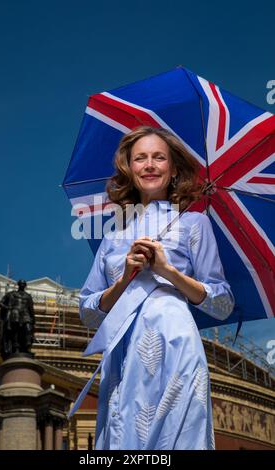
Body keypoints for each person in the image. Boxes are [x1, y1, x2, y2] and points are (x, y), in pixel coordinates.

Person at [77, 126, 235, 450]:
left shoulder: (194, 224)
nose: (150, 165)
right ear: (129, 169)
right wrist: (123, 280)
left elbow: (222, 304)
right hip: (123, 352)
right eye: (141, 158)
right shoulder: (112, 238)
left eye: (159, 157)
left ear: (173, 168)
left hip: (176, 343)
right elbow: (88, 314)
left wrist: (167, 271)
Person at [0, 279, 35, 359]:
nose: (22, 285)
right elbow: (0, 302)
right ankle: (16, 347)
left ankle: (27, 344)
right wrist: (7, 308)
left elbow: (31, 309)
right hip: (15, 312)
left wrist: (33, 318)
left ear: (25, 286)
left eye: (24, 284)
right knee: (15, 330)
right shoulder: (12, 294)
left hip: (25, 313)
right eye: (21, 284)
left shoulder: (28, 296)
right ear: (18, 285)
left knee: (28, 328)